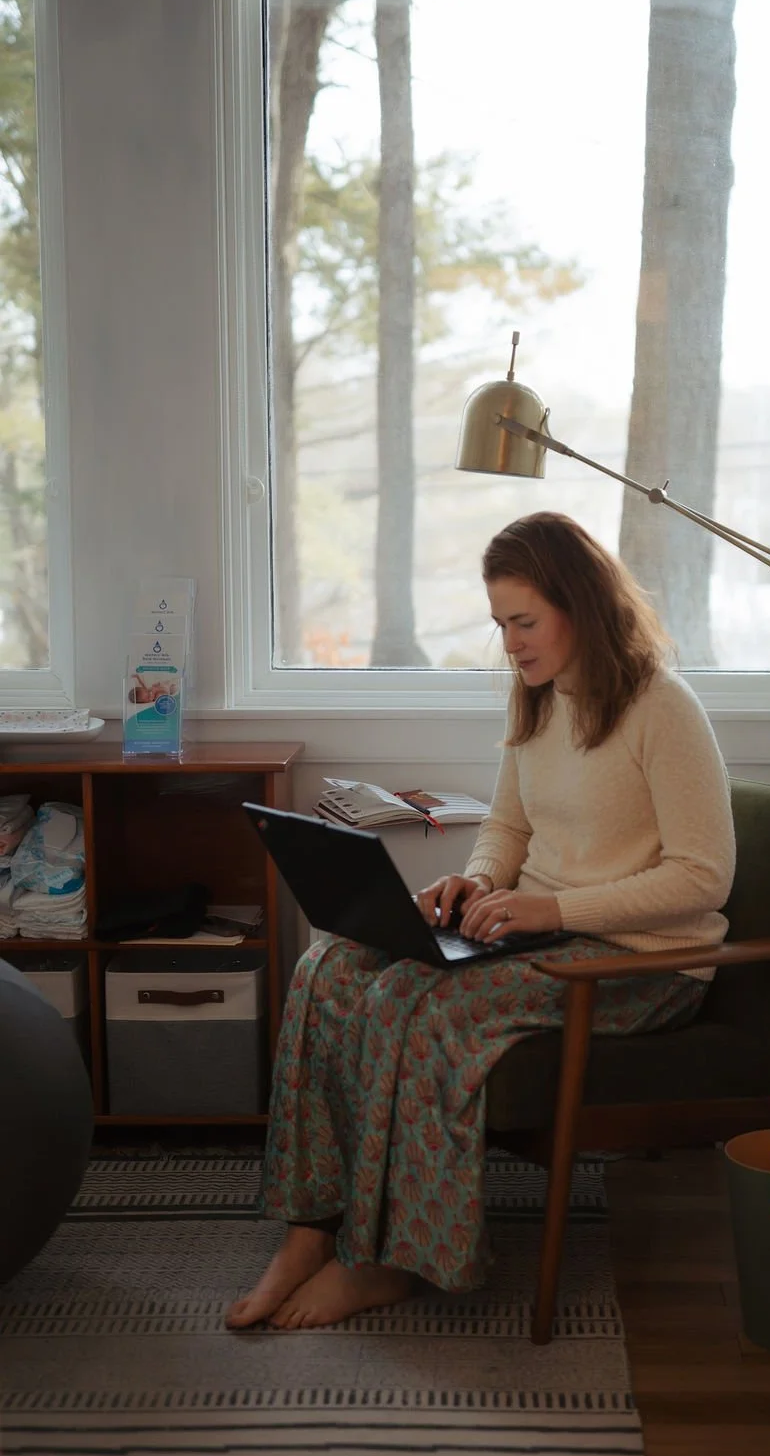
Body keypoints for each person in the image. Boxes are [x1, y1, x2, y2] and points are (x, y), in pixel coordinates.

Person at [226, 511, 735, 1332]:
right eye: (501, 624)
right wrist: (476, 881)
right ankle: (311, 1229)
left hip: (642, 964)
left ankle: (390, 1262)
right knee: (328, 968)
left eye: (524, 621)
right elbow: (508, 825)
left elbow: (703, 876)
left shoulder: (661, 708)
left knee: (414, 1004)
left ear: (580, 603)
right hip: (539, 933)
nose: (511, 643)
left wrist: (554, 906)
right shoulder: (538, 699)